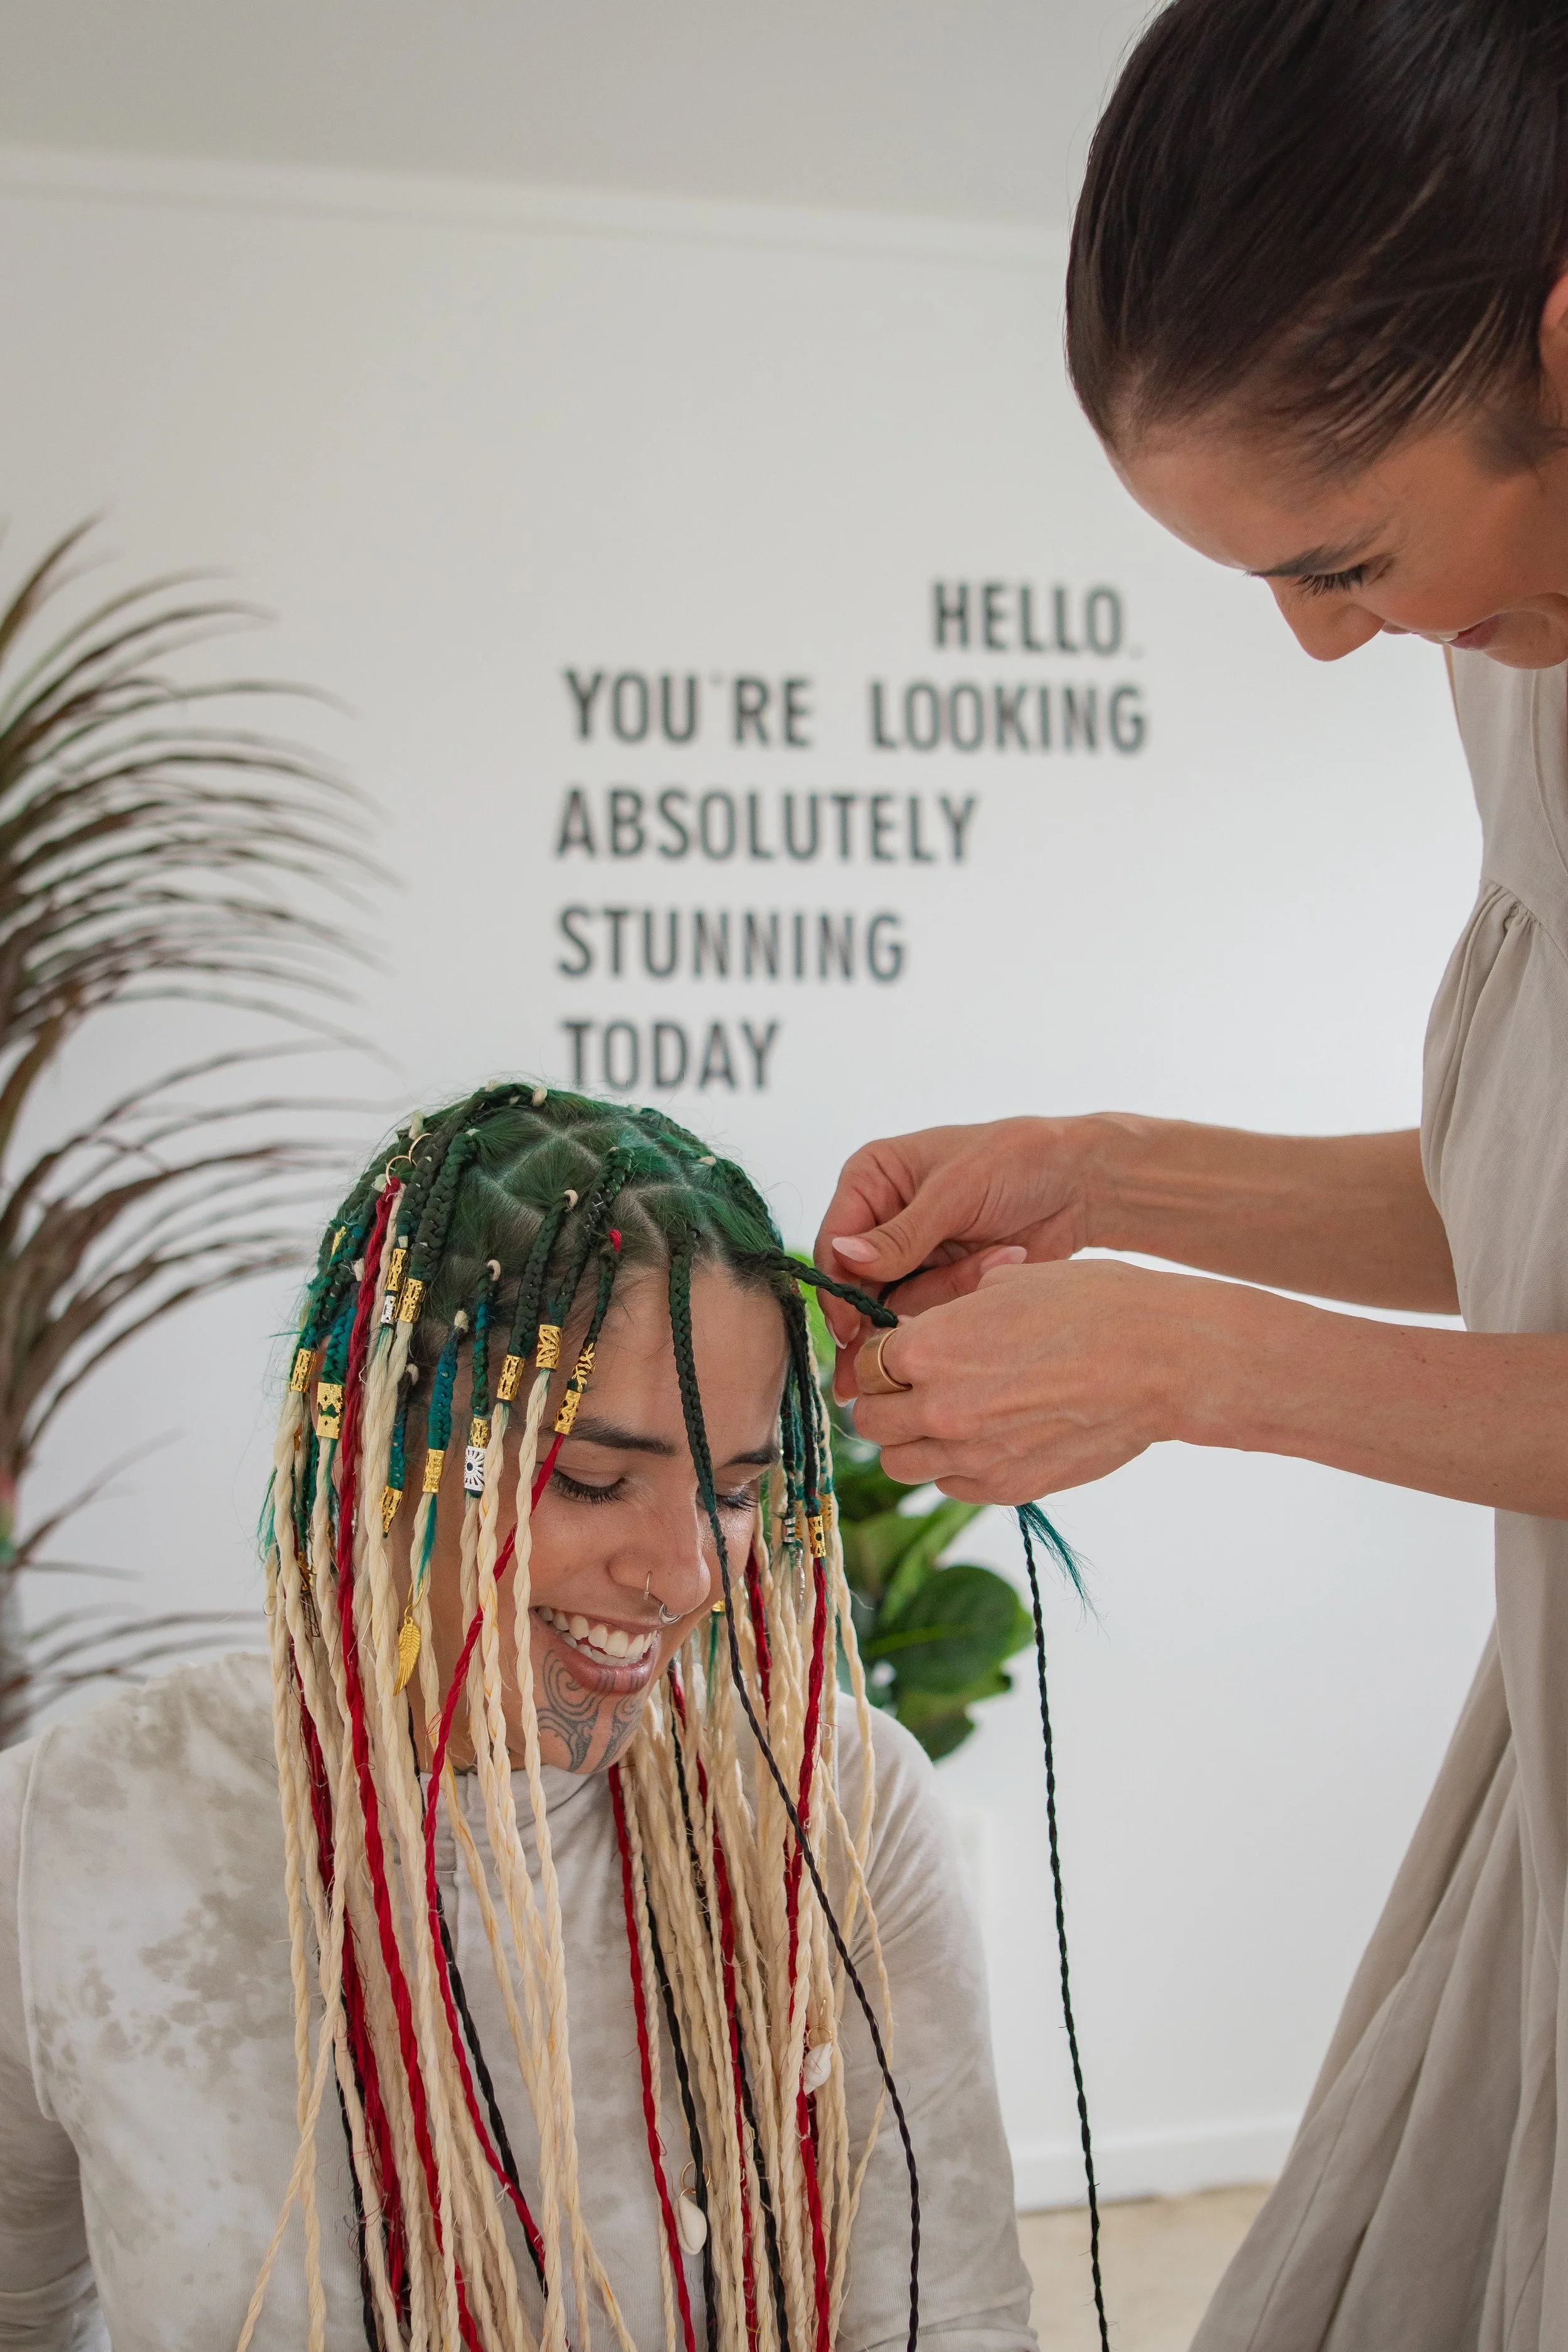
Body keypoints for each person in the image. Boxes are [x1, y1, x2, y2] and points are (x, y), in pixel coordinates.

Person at [814, 3, 1568, 2345]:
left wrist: (1202, 1366)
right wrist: (1108, 1175)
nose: (1326, 637)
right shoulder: (1518, 643)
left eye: (1342, 556)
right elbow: (1520, 1212)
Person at [0, 1084, 1034, 2352]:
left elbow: (953, 2324)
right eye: (595, 1482)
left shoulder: (834, 1809)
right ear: (387, 1442)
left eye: (731, 1491)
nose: (690, 1576)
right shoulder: (73, 1827)